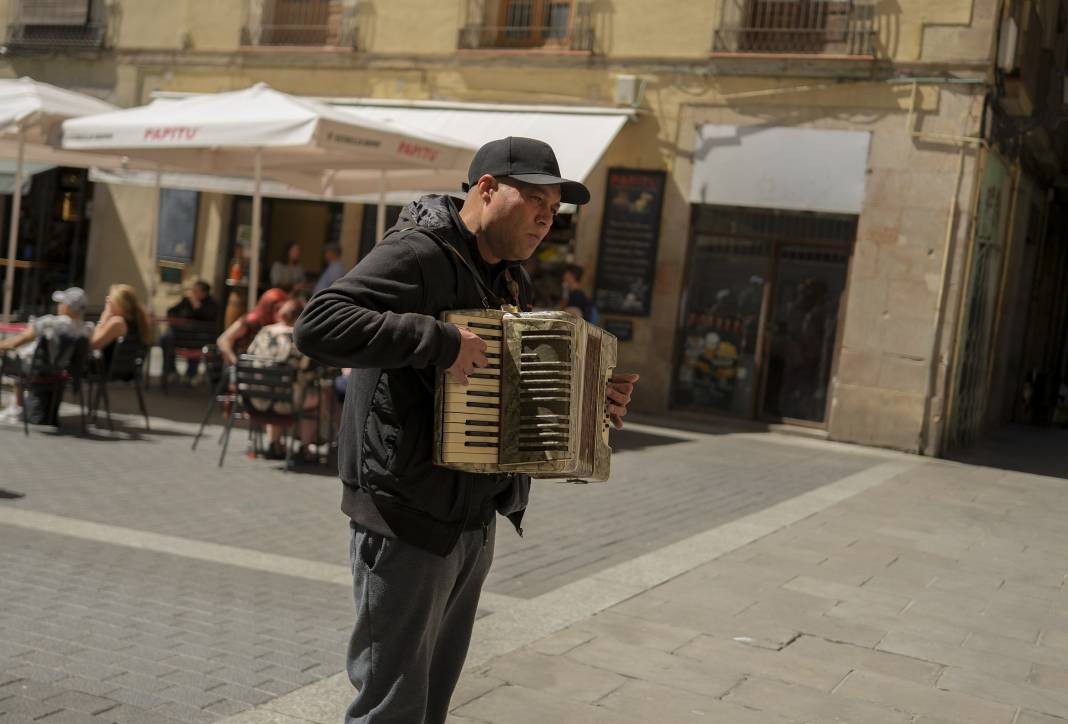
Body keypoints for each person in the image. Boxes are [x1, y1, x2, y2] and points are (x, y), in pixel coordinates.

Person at [294, 137, 638, 724]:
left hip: (473, 516)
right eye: (533, 200)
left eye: (553, 210)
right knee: (391, 708)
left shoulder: (511, 280)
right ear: (485, 189)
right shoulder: (419, 253)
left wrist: (587, 402)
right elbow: (319, 325)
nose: (544, 219)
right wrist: (441, 341)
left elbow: (510, 386)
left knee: (429, 705)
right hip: (406, 512)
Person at [244, 298, 321, 461]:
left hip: (256, 399)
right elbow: (307, 371)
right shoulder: (299, 338)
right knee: (313, 399)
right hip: (285, 403)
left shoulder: (263, 332)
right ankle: (305, 449)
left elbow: (250, 357)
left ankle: (274, 443)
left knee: (276, 388)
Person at [0, 287, 91, 423]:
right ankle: (20, 404)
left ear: (67, 307)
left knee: (9, 357)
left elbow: (16, 342)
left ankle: (16, 407)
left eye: (62, 303)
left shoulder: (49, 322)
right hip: (61, 372)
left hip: (37, 370)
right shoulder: (86, 330)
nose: (59, 306)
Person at [160, 280, 219, 384]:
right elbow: (171, 311)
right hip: (182, 336)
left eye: (196, 291)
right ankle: (171, 371)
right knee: (166, 339)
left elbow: (208, 318)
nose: (193, 293)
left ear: (204, 293)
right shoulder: (186, 301)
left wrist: (197, 306)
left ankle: (191, 374)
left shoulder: (212, 304)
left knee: (196, 342)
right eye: (193, 290)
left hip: (198, 340)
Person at [216, 287, 289, 366]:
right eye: (277, 308)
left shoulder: (279, 324)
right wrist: (235, 363)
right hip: (244, 368)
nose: (280, 312)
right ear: (267, 307)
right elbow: (223, 340)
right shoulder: (252, 320)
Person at [91, 283, 153, 372]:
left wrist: (104, 317)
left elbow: (93, 344)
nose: (108, 305)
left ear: (119, 305)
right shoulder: (137, 322)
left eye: (110, 302)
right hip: (127, 372)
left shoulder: (118, 323)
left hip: (103, 371)